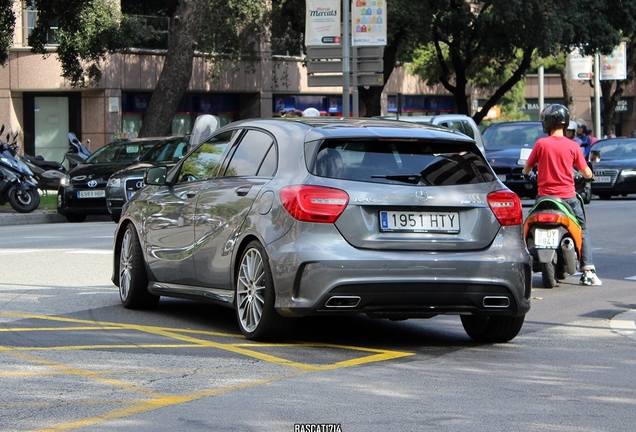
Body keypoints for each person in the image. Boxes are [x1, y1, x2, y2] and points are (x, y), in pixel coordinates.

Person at [522, 104, 602, 286]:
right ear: (565, 123)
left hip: (543, 199)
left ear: (547, 122)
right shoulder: (573, 146)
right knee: (583, 229)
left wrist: (529, 173)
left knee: (526, 226)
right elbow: (586, 172)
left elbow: (526, 169)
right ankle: (588, 270)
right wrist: (589, 176)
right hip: (568, 199)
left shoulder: (541, 144)